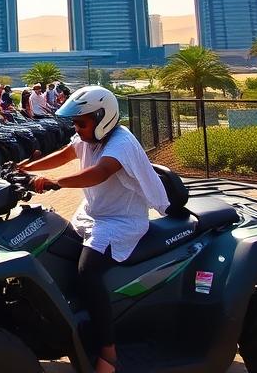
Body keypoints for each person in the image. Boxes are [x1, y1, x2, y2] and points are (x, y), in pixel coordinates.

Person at [18, 86, 169, 373]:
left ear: (103, 117)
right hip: (92, 215)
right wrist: (29, 170)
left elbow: (100, 172)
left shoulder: (121, 142)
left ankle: (108, 352)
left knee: (87, 271)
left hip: (119, 222)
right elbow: (64, 154)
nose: (78, 129)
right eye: (75, 123)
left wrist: (55, 182)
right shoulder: (90, 137)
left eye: (82, 123)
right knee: (55, 246)